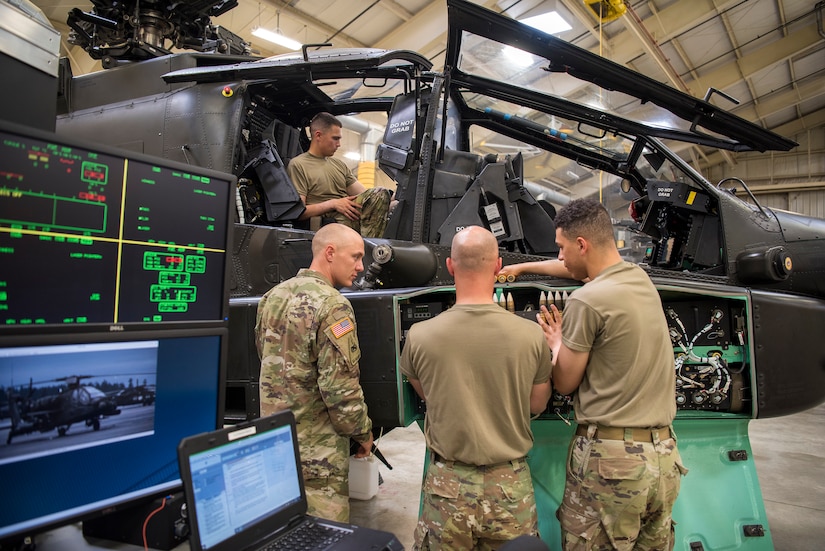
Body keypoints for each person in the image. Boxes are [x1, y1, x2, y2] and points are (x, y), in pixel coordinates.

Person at [535, 198, 686, 551]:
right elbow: (580, 270)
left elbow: (565, 382)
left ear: (581, 245)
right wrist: (523, 267)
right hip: (663, 459)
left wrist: (557, 343)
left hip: (613, 466)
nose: (559, 258)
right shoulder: (640, 279)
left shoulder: (587, 301)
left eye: (561, 248)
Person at [399, 226, 554, 550]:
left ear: (450, 266)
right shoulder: (530, 336)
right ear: (498, 266)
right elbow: (537, 404)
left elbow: (428, 393)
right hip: (510, 489)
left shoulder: (419, 335)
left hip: (447, 488)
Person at [255, 223, 374, 523]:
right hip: (318, 457)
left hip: (275, 443)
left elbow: (265, 355)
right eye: (356, 257)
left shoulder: (272, 297)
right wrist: (363, 433)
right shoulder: (334, 306)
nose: (361, 267)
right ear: (330, 253)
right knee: (323, 536)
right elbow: (340, 390)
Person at [287, 112, 393, 237]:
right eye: (335, 138)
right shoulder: (298, 165)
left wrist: (393, 200)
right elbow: (299, 212)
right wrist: (333, 203)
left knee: (385, 197)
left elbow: (367, 196)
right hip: (330, 225)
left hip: (351, 218)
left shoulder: (339, 165)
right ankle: (371, 251)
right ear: (318, 135)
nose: (339, 144)